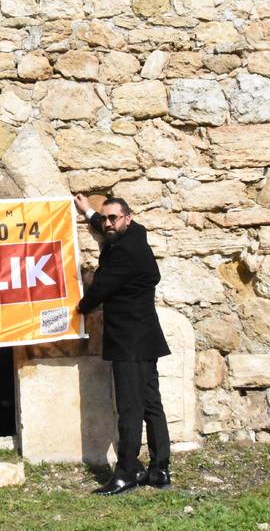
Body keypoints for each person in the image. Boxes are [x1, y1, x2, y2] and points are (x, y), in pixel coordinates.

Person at [74, 194, 172, 495]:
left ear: (128, 217)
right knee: (151, 404)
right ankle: (159, 470)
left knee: (130, 408)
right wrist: (89, 211)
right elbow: (108, 229)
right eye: (105, 219)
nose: (107, 224)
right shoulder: (137, 234)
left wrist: (77, 309)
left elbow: (99, 290)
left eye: (113, 218)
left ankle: (127, 472)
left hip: (130, 340)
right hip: (145, 337)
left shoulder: (124, 253)